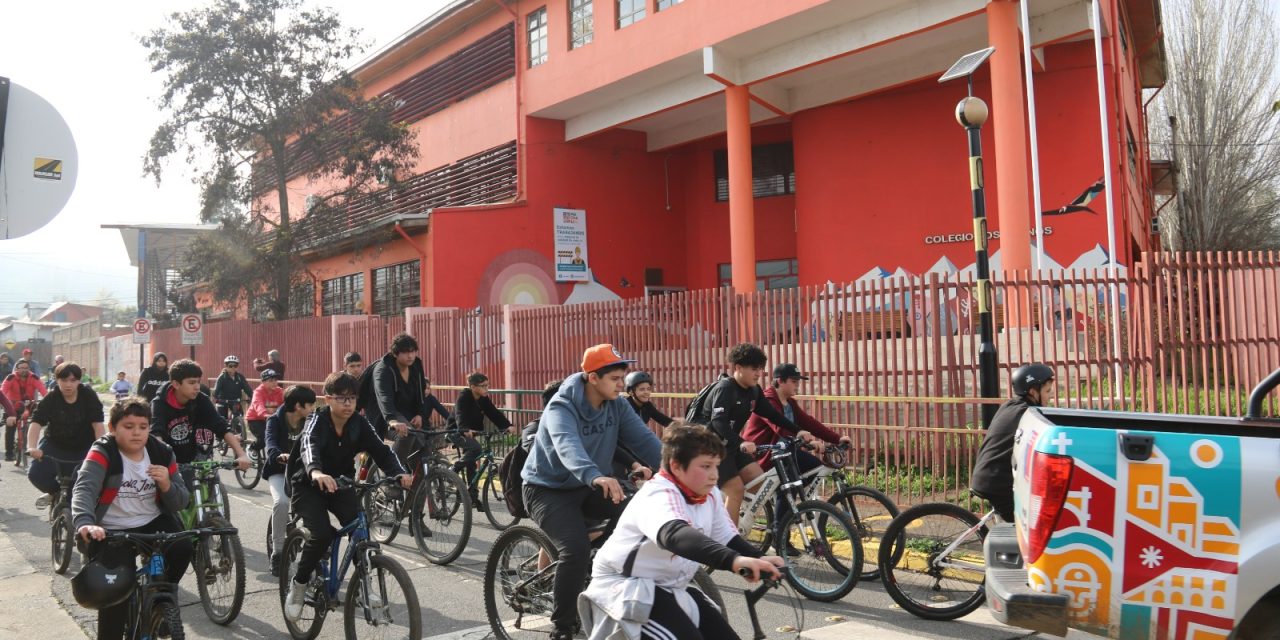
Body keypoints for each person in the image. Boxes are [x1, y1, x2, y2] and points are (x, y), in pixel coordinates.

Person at [583, 423, 783, 640]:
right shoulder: (658, 494)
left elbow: (726, 537)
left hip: (670, 586)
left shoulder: (708, 494)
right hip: (627, 586)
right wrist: (733, 561)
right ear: (676, 466)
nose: (715, 475)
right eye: (705, 466)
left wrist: (758, 558)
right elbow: (675, 535)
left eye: (716, 466)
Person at [521, 343, 663, 640]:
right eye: (614, 379)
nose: (621, 385)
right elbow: (566, 445)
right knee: (575, 550)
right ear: (592, 378)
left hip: (591, 484)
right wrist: (594, 475)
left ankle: (601, 578)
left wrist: (678, 472)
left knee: (636, 521)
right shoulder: (562, 406)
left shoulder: (618, 405)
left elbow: (645, 440)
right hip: (547, 489)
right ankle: (562, 628)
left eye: (622, 378)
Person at [283, 371, 411, 621]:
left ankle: (366, 589)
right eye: (341, 398)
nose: (348, 403)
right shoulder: (316, 421)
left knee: (360, 532)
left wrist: (398, 473)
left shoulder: (359, 424)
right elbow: (309, 446)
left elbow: (382, 452)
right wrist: (316, 472)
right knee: (320, 535)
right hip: (309, 485)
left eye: (352, 398)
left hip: (341, 484)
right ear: (327, 399)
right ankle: (298, 586)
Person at [72, 397, 192, 640]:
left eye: (143, 426)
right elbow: (84, 488)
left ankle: (163, 599)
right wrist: (85, 521)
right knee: (114, 597)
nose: (136, 433)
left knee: (182, 547)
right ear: (113, 428)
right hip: (111, 529)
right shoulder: (103, 452)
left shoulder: (161, 452)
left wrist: (167, 485)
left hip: (153, 520)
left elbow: (182, 501)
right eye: (128, 427)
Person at [742, 363, 852, 554]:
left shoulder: (789, 403)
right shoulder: (767, 400)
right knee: (791, 485)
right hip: (766, 455)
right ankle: (779, 531)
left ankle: (787, 510)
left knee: (815, 467)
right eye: (794, 382)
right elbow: (780, 428)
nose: (797, 386)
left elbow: (808, 422)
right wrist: (807, 440)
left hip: (784, 453)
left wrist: (836, 438)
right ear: (779, 381)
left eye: (798, 382)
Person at [687, 343, 801, 521]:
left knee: (759, 483)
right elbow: (718, 423)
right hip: (710, 447)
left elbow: (772, 415)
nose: (758, 373)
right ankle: (728, 539)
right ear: (738, 367)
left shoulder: (754, 391)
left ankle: (734, 515)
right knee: (736, 489)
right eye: (754, 369)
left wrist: (798, 431)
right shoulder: (725, 388)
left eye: (761, 369)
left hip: (731, 445)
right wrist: (741, 442)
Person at [970, 363, 1056, 523]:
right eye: (1047, 391)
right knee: (1029, 525)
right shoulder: (1029, 413)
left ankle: (1001, 542)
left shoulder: (1010, 406)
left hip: (990, 476)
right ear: (1033, 391)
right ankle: (1002, 547)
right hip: (997, 481)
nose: (1050, 396)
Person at [149, 359, 250, 476]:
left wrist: (242, 454)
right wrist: (163, 462)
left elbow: (220, 425)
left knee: (211, 482)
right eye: (192, 383)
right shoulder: (159, 403)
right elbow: (157, 433)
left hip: (194, 454)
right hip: (169, 458)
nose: (197, 387)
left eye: (198, 382)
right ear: (176, 384)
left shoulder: (201, 399)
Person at [27, 362, 106, 506]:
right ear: (57, 380)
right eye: (64, 380)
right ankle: (55, 493)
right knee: (36, 475)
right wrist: (32, 447)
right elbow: (36, 422)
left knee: (84, 482)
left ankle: (73, 513)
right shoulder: (51, 398)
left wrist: (102, 447)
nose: (68, 384)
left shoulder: (88, 395)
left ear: (79, 381)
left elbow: (98, 424)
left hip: (83, 446)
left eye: (73, 380)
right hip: (55, 444)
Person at [263, 385, 317, 577]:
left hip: (303, 473)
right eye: (310, 404)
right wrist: (279, 455)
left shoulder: (311, 421)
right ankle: (277, 553)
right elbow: (270, 445)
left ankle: (319, 548)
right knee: (282, 502)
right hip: (279, 472)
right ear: (297, 405)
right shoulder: (274, 422)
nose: (313, 407)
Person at [360, 333, 430, 462]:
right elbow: (383, 396)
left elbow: (421, 390)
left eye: (413, 351)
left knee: (423, 447)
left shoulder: (416, 365)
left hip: (405, 411)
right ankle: (392, 473)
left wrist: (420, 413)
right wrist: (392, 419)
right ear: (395, 353)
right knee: (407, 435)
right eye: (405, 352)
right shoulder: (383, 369)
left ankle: (417, 480)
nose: (410, 355)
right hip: (383, 413)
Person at [449, 372, 514, 509]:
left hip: (471, 433)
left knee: (473, 465)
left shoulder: (483, 398)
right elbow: (460, 414)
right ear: (472, 386)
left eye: (487, 385)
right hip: (456, 432)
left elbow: (493, 413)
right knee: (477, 449)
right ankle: (453, 469)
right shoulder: (464, 396)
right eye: (483, 386)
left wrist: (507, 425)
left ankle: (472, 498)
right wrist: (464, 429)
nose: (487, 389)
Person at [2, 358, 44, 462]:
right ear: (17, 369)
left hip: (28, 405)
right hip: (12, 406)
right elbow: (3, 391)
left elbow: (43, 390)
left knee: (37, 421)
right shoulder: (11, 377)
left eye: (26, 368)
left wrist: (47, 401)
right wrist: (4, 404)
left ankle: (31, 447)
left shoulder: (33, 377)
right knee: (10, 426)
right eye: (22, 368)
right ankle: (9, 453)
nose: (24, 370)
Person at [245, 369, 283, 453]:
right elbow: (257, 405)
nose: (274, 382)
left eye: (275, 380)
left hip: (272, 419)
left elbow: (286, 405)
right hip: (255, 419)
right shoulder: (258, 392)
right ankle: (252, 448)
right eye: (270, 380)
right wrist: (264, 414)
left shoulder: (280, 391)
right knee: (264, 438)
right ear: (263, 382)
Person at [212, 355, 254, 423]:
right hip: (222, 401)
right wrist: (215, 398)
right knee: (222, 420)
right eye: (230, 366)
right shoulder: (222, 377)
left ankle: (238, 430)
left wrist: (252, 396)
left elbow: (247, 389)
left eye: (235, 366)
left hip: (235, 401)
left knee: (239, 416)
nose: (233, 368)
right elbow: (216, 390)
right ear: (226, 366)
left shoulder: (240, 377)